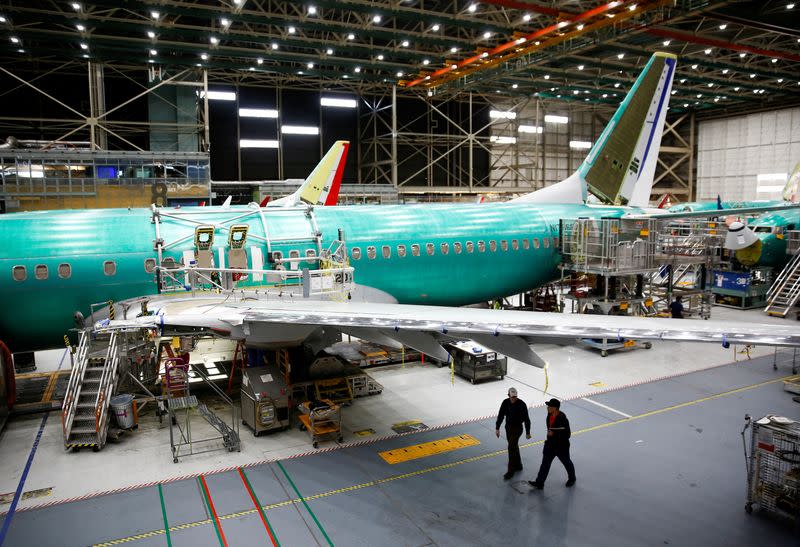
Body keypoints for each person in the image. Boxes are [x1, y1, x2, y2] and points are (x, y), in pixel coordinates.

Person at [529, 398, 576, 489]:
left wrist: (554, 433)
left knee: (566, 462)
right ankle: (540, 483)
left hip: (561, 446)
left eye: (550, 406)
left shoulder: (563, 418)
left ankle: (572, 478)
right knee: (545, 464)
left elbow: (567, 434)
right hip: (550, 445)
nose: (548, 407)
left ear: (555, 408)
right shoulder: (549, 415)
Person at [495, 387, 531, 480]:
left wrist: (527, 432)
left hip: (518, 429)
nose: (514, 398)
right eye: (512, 397)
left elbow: (527, 419)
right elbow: (501, 415)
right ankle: (518, 465)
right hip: (508, 428)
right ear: (508, 396)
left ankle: (510, 471)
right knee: (514, 446)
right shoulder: (505, 403)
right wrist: (497, 428)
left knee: (511, 447)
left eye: (515, 397)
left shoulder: (522, 404)